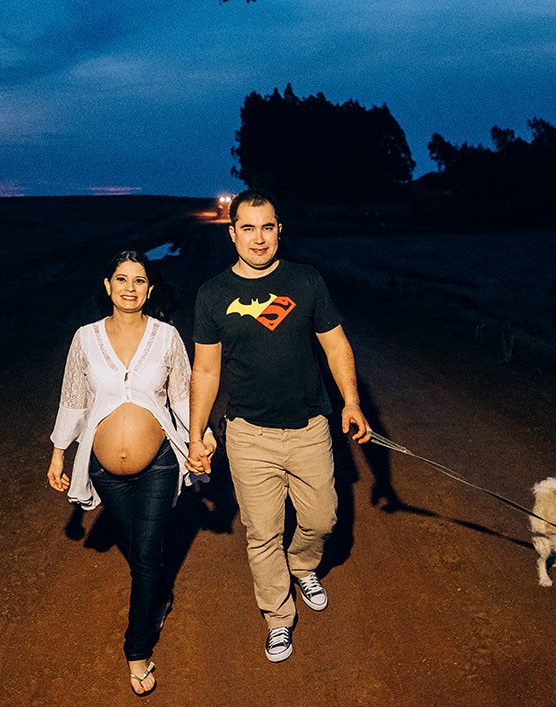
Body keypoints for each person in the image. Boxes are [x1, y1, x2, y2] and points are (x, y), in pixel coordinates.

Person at [186, 189, 370, 663]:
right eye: (248, 228)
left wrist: (351, 402)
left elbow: (336, 346)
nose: (259, 238)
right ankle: (277, 618)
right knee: (262, 532)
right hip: (248, 435)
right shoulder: (213, 295)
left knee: (322, 519)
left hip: (310, 428)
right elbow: (205, 371)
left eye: (267, 227)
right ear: (232, 234)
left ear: (279, 231)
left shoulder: (306, 281)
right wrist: (195, 435)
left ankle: (302, 565)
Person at [47, 250, 215, 696]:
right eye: (121, 279)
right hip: (104, 472)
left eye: (139, 281)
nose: (130, 288)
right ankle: (159, 594)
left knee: (144, 556)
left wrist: (202, 437)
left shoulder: (166, 336)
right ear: (108, 286)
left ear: (150, 289)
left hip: (159, 462)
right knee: (143, 554)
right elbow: (73, 398)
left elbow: (182, 395)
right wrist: (59, 454)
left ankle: (136, 650)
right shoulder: (85, 338)